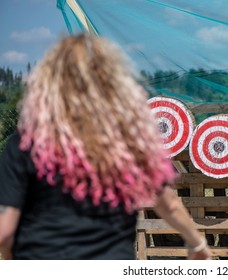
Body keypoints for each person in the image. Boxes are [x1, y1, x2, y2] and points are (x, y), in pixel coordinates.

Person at [0, 34, 211, 260]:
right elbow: (168, 204)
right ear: (112, 83)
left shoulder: (26, 144)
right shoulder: (126, 141)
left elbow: (4, 233)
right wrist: (197, 244)